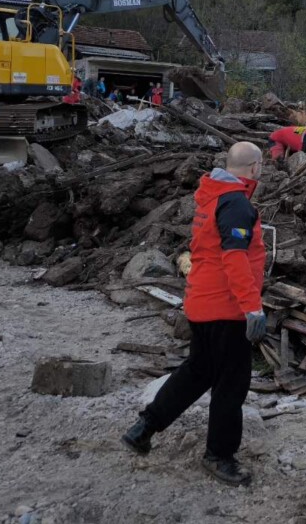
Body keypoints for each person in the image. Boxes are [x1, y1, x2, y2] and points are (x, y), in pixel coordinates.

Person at [121, 142, 268, 486]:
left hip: (201, 302)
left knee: (197, 372)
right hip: (226, 308)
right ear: (256, 168)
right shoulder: (236, 204)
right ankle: (219, 456)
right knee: (231, 384)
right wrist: (252, 307)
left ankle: (145, 426)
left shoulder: (212, 195)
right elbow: (234, 259)